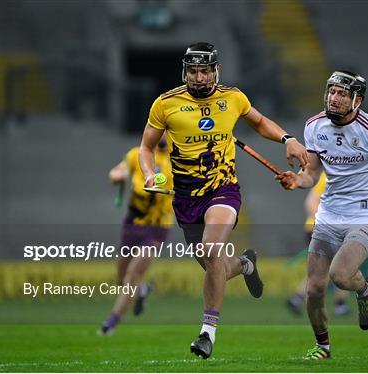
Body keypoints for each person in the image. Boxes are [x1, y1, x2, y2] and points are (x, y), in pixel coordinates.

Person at [138, 42, 308, 359]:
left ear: (216, 70)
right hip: (184, 196)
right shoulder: (166, 104)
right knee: (214, 266)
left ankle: (207, 333)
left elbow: (258, 122)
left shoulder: (233, 97)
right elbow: (146, 148)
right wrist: (150, 174)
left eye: (204, 71)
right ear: (184, 72)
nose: (199, 78)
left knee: (211, 249)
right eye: (192, 71)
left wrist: (288, 138)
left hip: (222, 189)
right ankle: (245, 265)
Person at [278, 70, 368, 360]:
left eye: (342, 93)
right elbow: (312, 173)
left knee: (341, 275)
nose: (334, 97)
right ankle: (324, 347)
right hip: (330, 212)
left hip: (367, 213)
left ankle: (365, 289)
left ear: (357, 100)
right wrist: (297, 180)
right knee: (315, 289)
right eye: (332, 91)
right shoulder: (315, 126)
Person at [99, 137, 173, 336]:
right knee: (122, 276)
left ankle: (111, 323)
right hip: (132, 223)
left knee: (133, 273)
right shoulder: (137, 154)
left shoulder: (177, 160)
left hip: (157, 226)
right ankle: (142, 290)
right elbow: (117, 171)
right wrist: (117, 176)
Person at [286, 172, 351, 317]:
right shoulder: (330, 175)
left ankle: (297, 298)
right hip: (321, 229)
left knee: (324, 269)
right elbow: (310, 203)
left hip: (319, 229)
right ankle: (340, 304)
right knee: (341, 265)